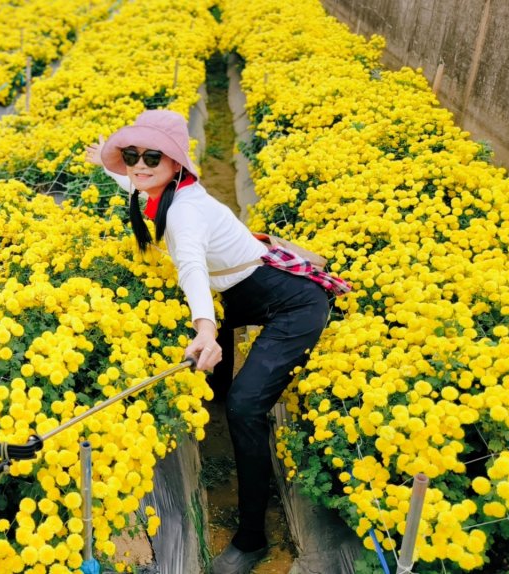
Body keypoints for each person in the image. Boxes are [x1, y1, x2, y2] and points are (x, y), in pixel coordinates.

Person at [85, 109, 345, 574]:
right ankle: (216, 399)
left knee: (247, 407)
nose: (140, 166)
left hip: (293, 304)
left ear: (177, 163)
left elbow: (192, 269)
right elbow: (133, 183)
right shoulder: (161, 188)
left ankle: (250, 539)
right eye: (131, 156)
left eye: (151, 157)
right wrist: (107, 165)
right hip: (245, 288)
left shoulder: (185, 212)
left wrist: (205, 328)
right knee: (220, 359)